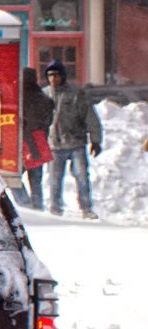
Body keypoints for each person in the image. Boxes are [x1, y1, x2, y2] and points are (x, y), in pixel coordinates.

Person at [42, 60, 103, 219]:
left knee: (82, 176)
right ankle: (55, 208)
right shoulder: (44, 95)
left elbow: (90, 117)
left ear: (62, 76)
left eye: (56, 75)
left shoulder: (76, 94)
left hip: (76, 143)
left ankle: (86, 208)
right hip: (54, 144)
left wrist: (95, 140)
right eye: (50, 75)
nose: (53, 79)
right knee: (54, 179)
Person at [18, 65, 54, 209]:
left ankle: (25, 203)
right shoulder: (44, 98)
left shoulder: (18, 96)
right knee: (36, 179)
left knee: (12, 177)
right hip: (39, 140)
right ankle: (37, 206)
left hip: (22, 141)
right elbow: (49, 120)